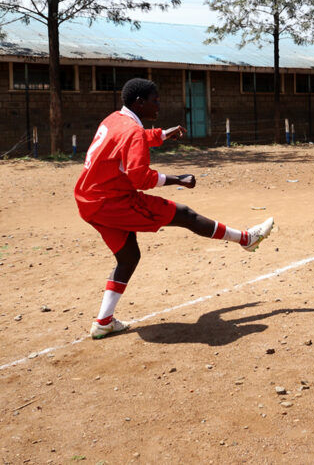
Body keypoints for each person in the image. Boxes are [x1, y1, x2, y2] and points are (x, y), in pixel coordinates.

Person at [75, 78, 274, 340]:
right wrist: (177, 179)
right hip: (111, 201)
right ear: (139, 102)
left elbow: (131, 140)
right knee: (184, 214)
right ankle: (246, 239)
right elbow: (140, 177)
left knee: (128, 256)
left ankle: (103, 322)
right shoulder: (132, 131)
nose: (159, 104)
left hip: (87, 200)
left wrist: (162, 134)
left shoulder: (114, 119)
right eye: (154, 100)